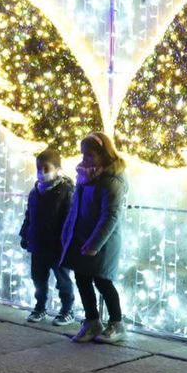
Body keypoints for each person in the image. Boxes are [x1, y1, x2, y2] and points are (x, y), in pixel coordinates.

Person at [60, 131, 128, 344]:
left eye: (90, 155)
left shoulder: (112, 180)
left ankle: (117, 324)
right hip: (81, 236)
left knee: (103, 281)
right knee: (82, 278)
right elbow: (75, 208)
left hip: (101, 242)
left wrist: (95, 243)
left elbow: (111, 215)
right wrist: (67, 232)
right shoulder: (85, 176)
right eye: (83, 155)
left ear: (103, 154)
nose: (85, 159)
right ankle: (92, 321)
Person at [18, 148, 74, 325]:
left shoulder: (65, 192)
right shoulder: (35, 192)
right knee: (38, 278)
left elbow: (68, 219)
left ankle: (67, 310)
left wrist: (66, 242)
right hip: (38, 244)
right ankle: (40, 307)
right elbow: (29, 215)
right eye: (39, 169)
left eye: (46, 169)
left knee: (62, 280)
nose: (41, 174)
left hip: (57, 246)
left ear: (58, 169)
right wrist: (25, 234)